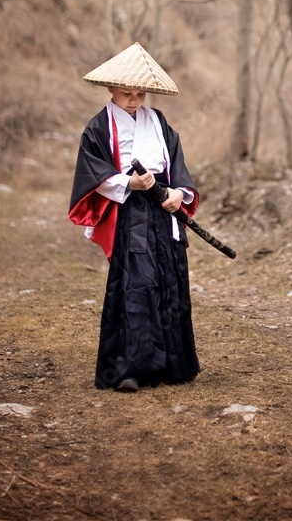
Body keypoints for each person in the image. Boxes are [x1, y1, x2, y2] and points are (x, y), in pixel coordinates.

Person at [68, 41, 200, 392]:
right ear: (111, 88)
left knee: (171, 282)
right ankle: (131, 369)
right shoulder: (97, 128)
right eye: (127, 93)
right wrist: (129, 182)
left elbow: (178, 167)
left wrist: (177, 194)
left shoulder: (158, 121)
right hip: (131, 215)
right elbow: (91, 172)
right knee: (137, 285)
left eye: (139, 93)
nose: (134, 100)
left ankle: (174, 365)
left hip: (163, 212)